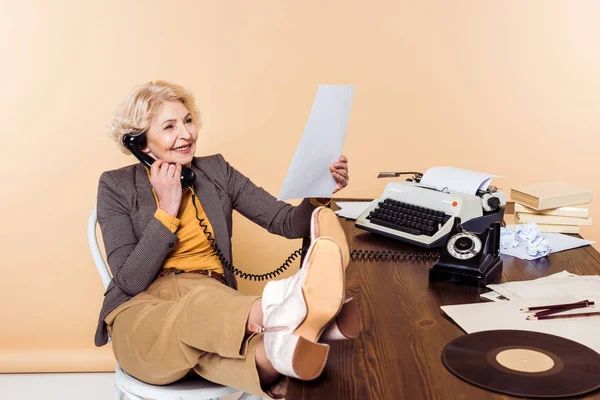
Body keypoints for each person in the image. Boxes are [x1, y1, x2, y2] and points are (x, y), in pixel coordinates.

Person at [95, 80, 360, 398]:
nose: (186, 134)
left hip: (214, 304)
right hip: (142, 314)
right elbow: (129, 280)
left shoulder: (215, 172)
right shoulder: (115, 186)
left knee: (228, 334)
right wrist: (167, 209)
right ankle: (286, 305)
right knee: (201, 315)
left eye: (188, 121)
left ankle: (282, 349)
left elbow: (286, 222)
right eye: (169, 126)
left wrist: (319, 187)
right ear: (141, 143)